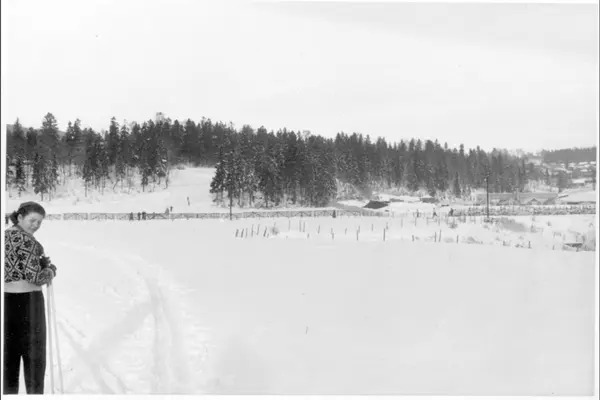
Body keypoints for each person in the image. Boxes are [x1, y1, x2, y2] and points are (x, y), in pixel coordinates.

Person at [4, 201, 57, 395]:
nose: (36, 225)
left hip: (6, 301)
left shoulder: (5, 236)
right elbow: (35, 278)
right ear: (19, 217)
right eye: (32, 220)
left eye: (39, 222)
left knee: (8, 355)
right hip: (28, 302)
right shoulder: (27, 240)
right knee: (34, 356)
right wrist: (49, 271)